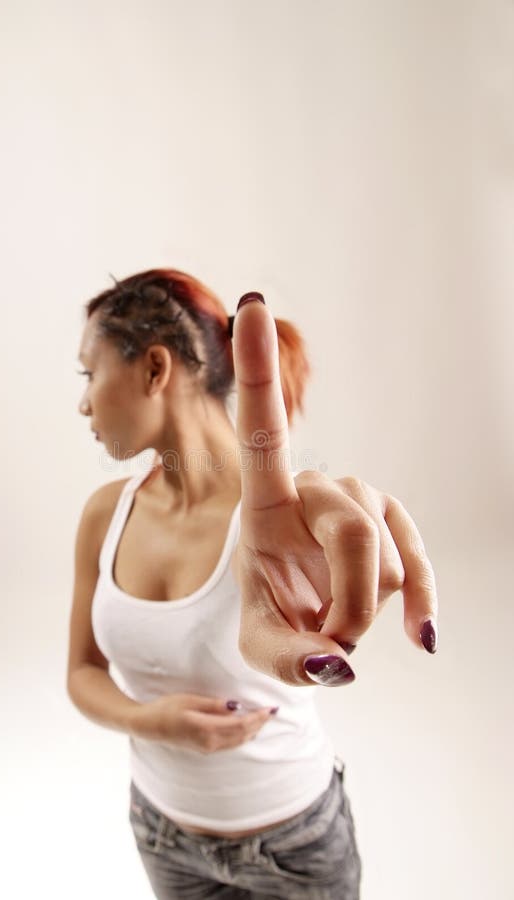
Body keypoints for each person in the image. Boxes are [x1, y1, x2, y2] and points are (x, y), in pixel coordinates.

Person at [66, 269, 438, 899]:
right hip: (162, 834)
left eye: (88, 374)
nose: (82, 403)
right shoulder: (106, 514)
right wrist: (151, 720)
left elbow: (320, 549)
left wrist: (343, 553)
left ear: (155, 369)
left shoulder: (281, 521)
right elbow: (82, 672)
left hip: (296, 843)